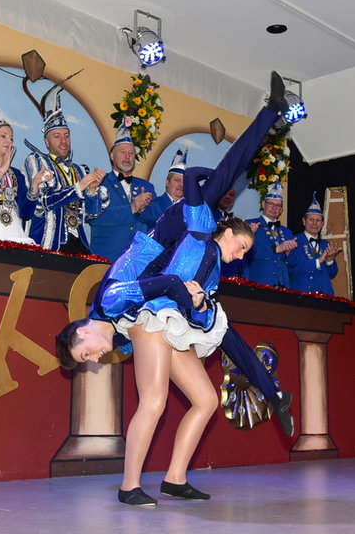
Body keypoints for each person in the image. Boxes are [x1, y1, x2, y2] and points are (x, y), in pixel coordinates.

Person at [58, 165, 255, 506]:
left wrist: (189, 297)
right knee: (155, 402)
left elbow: (162, 283)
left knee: (202, 400)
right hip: (160, 316)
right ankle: (130, 484)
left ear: (83, 329)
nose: (93, 359)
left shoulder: (110, 299)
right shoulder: (112, 324)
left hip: (157, 313)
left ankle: (173, 479)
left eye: (85, 353)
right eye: (87, 360)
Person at [22, 89, 105, 254]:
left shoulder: (80, 170)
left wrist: (91, 191)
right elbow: (42, 203)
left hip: (79, 245)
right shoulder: (37, 161)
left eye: (67, 136)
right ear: (47, 142)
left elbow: (92, 214)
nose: (63, 141)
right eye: (57, 136)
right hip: (47, 244)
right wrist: (78, 188)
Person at [87, 126, 164, 261]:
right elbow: (94, 218)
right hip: (105, 259)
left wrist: (143, 210)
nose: (127, 156)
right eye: (122, 152)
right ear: (112, 155)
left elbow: (158, 221)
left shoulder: (147, 186)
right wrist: (132, 208)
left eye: (131, 153)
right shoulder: (100, 182)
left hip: (137, 261)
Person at [287, 192, 342, 294]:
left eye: (318, 220)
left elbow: (332, 274)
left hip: (325, 296)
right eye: (311, 219)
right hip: (301, 296)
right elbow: (292, 267)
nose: (314, 223)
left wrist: (330, 260)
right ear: (304, 221)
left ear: (322, 224)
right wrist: (317, 262)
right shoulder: (294, 241)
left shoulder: (326, 245)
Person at [245, 179, 296, 287]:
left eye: (278, 205)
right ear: (263, 204)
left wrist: (288, 253)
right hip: (258, 285)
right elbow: (248, 254)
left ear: (281, 210)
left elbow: (293, 264)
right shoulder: (250, 225)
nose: (274, 208)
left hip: (283, 287)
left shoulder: (287, 232)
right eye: (271, 204)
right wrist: (276, 249)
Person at [154, 149, 186, 214]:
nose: (182, 185)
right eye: (177, 180)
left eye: (185, 181)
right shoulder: (152, 206)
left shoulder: (190, 209)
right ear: (167, 182)